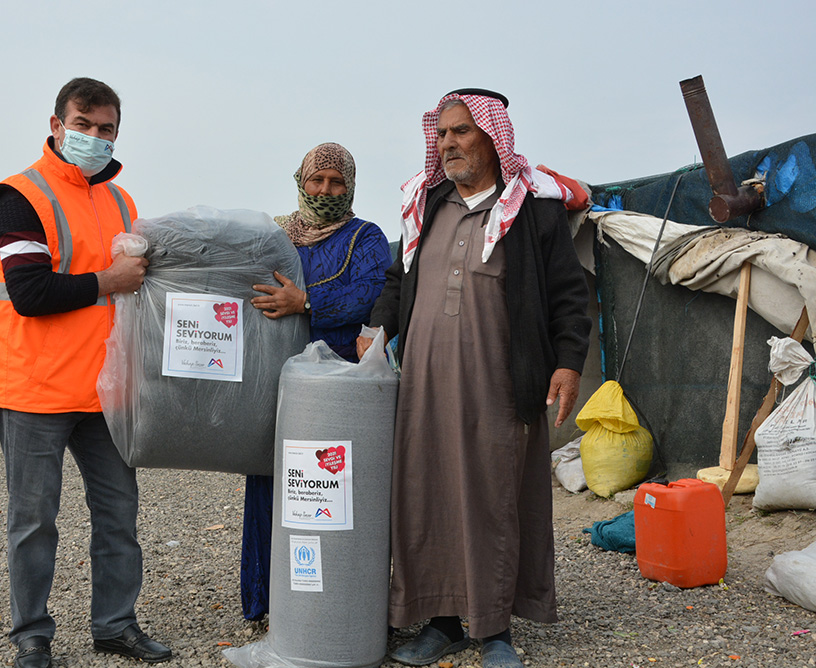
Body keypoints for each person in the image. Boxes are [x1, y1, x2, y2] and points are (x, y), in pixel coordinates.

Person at [357, 89, 591, 667]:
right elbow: (398, 280)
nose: (449, 144)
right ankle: (439, 622)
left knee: (494, 496)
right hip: (424, 388)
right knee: (425, 493)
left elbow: (568, 294)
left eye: (462, 131)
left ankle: (494, 631)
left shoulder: (531, 210)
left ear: (493, 137)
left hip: (499, 383)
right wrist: (377, 329)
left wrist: (567, 361)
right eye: (442, 135)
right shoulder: (426, 206)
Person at [0, 77, 170, 668]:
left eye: (106, 129)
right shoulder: (18, 196)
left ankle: (115, 624)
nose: (94, 137)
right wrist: (106, 282)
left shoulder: (122, 202)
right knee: (34, 521)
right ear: (57, 125)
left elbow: (141, 290)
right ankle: (32, 637)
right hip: (34, 388)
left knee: (119, 515)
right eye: (83, 125)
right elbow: (31, 291)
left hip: (104, 392)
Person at [242, 142, 392, 621]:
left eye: (337, 182)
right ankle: (266, 602)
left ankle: (333, 604)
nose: (325, 190)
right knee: (270, 482)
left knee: (329, 489)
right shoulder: (274, 236)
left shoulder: (365, 237)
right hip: (275, 379)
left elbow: (365, 297)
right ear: (300, 180)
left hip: (336, 387)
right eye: (317, 180)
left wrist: (304, 304)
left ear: (350, 186)